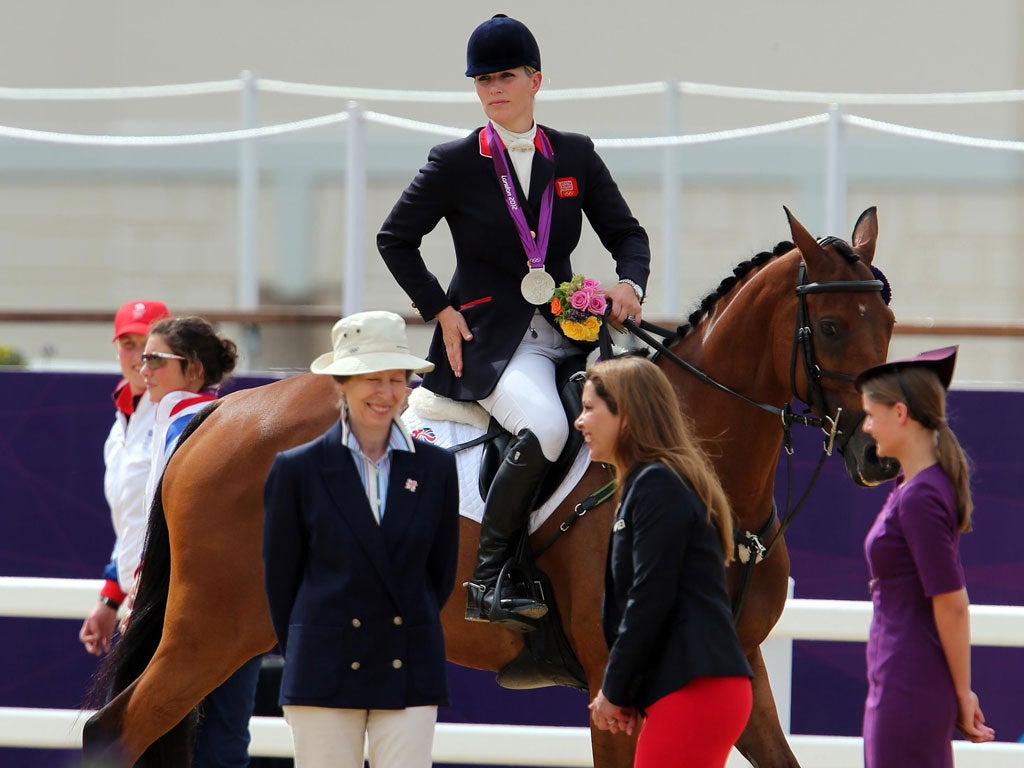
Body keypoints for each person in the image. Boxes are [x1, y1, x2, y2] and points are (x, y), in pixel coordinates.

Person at [378, 13, 651, 624]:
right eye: (482, 81)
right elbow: (394, 238)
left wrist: (629, 284)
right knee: (552, 428)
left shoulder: (575, 154)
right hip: (490, 341)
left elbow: (627, 234)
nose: (493, 89)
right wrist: (440, 310)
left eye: (505, 77)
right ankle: (492, 576)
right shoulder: (453, 161)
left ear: (536, 79)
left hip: (572, 331)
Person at [262, 310, 460, 768]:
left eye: (396, 378)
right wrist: (312, 648)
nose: (386, 393)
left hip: (407, 661)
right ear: (342, 385)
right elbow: (281, 582)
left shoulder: (435, 468)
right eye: (372, 379)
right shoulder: (297, 470)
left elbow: (440, 573)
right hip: (323, 664)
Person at [577, 356, 753, 768]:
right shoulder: (651, 481)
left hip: (696, 687)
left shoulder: (657, 483)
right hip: (689, 686)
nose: (579, 421)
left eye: (589, 408)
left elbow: (650, 597)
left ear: (627, 416)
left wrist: (616, 690)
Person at [855, 346, 995, 767]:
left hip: (909, 684)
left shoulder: (920, 495)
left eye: (871, 414)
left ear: (900, 413)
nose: (866, 426)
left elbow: (952, 603)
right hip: (902, 679)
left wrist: (961, 692)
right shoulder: (914, 487)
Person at [139, 315, 263, 768]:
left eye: (155, 358)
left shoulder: (184, 418)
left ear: (193, 371)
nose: (142, 367)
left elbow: (154, 527)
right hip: (245, 607)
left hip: (185, 603)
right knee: (227, 733)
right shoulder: (222, 420)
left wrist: (139, 586)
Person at [79, 299, 172, 657]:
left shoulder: (181, 415)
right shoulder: (119, 427)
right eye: (128, 344)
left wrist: (145, 582)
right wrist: (110, 598)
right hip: (143, 602)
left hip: (173, 600)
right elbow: (131, 524)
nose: (137, 358)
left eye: (147, 346)